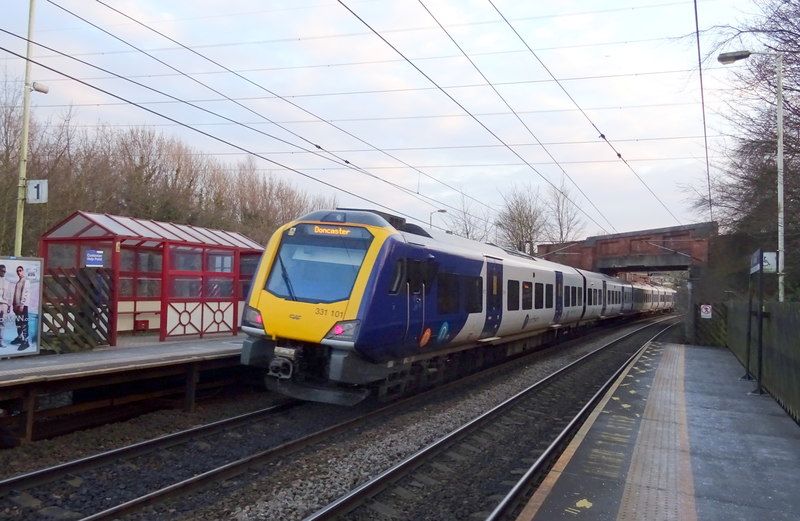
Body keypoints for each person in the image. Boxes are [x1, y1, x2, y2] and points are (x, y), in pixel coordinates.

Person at [11, 266, 30, 351]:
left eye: (20, 270)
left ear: (23, 271)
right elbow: (16, 294)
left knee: (24, 322)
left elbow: (25, 293)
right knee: (18, 322)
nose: (19, 272)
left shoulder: (26, 280)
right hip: (17, 306)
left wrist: (22, 305)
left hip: (22, 306)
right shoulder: (19, 281)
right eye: (17, 271)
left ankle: (25, 341)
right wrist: (14, 305)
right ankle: (20, 337)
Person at [0, 265, 8, 347]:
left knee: (2, 323)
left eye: (5, 271)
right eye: (2, 271)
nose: (4, 272)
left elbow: (8, 293)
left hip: (4, 304)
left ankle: (1, 341)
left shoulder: (5, 280)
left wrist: (8, 305)